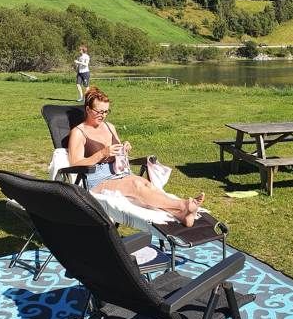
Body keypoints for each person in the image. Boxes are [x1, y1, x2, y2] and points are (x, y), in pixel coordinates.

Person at [67, 86, 204, 227]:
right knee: (136, 185)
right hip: (97, 178)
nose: (103, 115)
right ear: (88, 110)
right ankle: (183, 205)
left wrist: (124, 148)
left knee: (147, 185)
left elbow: (118, 152)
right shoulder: (78, 132)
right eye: (99, 112)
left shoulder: (109, 127)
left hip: (119, 172)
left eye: (107, 111)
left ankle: (180, 214)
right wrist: (102, 153)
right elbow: (74, 164)